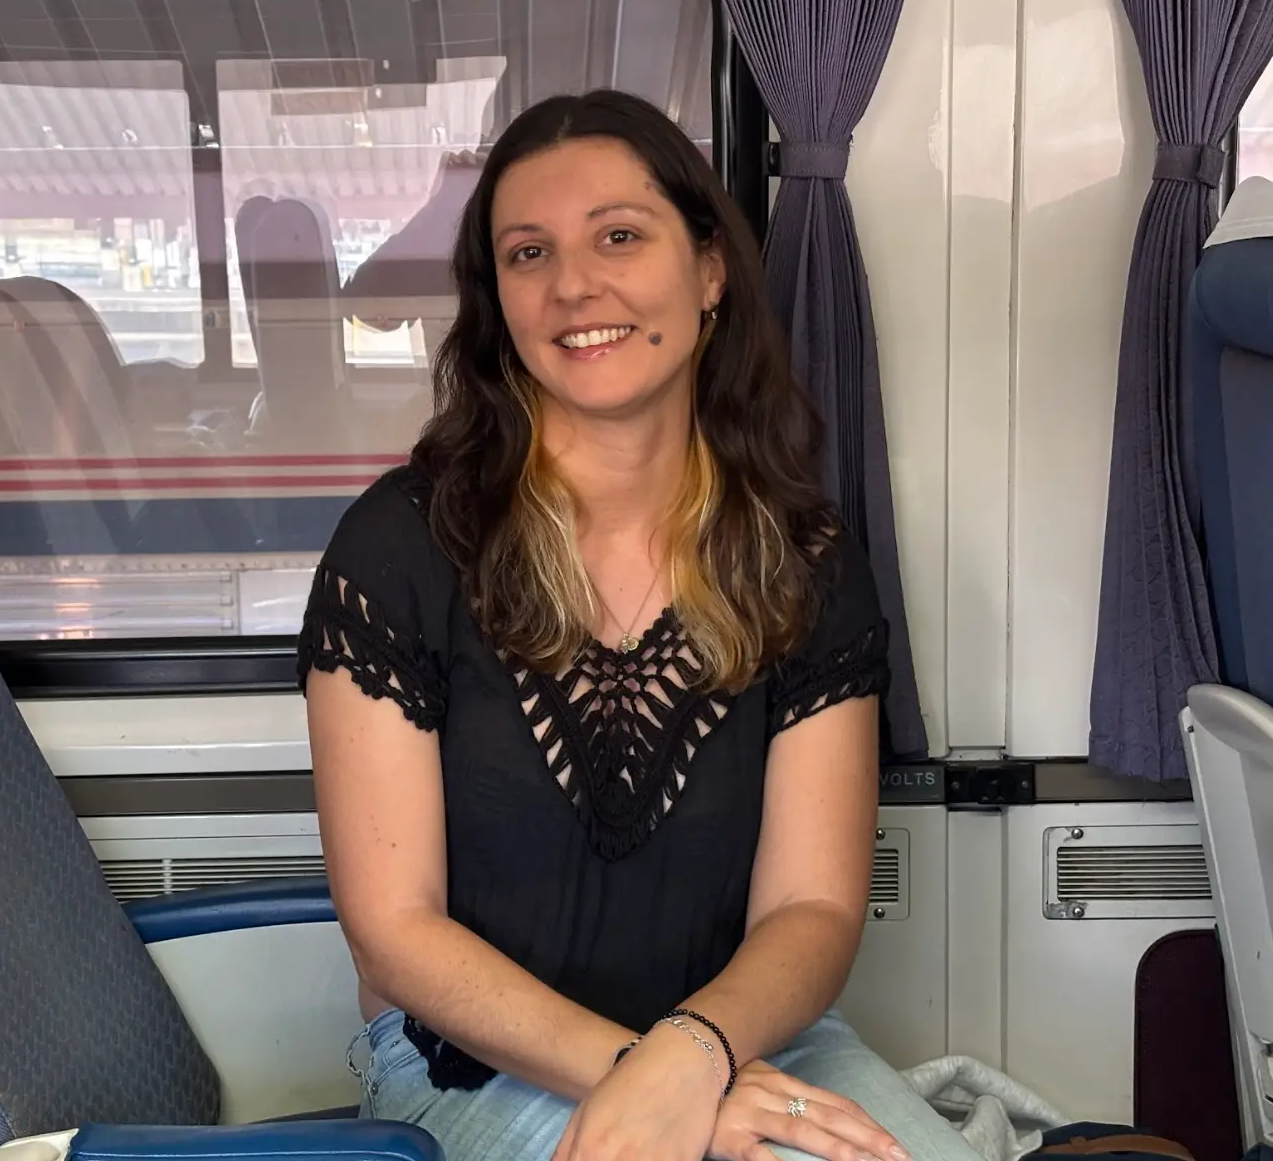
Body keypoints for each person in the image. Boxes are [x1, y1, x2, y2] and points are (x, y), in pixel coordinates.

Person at [296, 88, 984, 1161]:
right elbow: (395, 933)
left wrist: (692, 1057)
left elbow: (810, 908)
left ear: (707, 269)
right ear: (499, 304)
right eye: (528, 254)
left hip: (752, 1047)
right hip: (474, 1063)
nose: (573, 284)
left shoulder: (802, 557)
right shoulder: (399, 548)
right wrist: (640, 1077)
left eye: (618, 235)